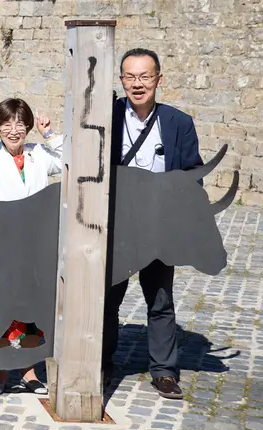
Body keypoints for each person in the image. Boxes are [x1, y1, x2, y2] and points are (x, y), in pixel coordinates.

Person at [103, 48, 203, 400]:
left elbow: (193, 174)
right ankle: (101, 362)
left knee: (160, 299)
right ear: (121, 81)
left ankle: (163, 371)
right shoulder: (106, 115)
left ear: (159, 79)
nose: (137, 83)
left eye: (145, 76)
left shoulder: (179, 123)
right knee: (107, 298)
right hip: (118, 226)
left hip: (159, 228)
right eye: (130, 77)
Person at [0, 98, 63, 395]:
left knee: (29, 309)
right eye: (6, 124)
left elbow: (69, 158)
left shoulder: (40, 156)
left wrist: (50, 135)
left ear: (28, 127)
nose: (13, 130)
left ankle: (29, 370)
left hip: (35, 244)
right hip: (2, 245)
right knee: (3, 308)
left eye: (20, 123)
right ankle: (0, 370)